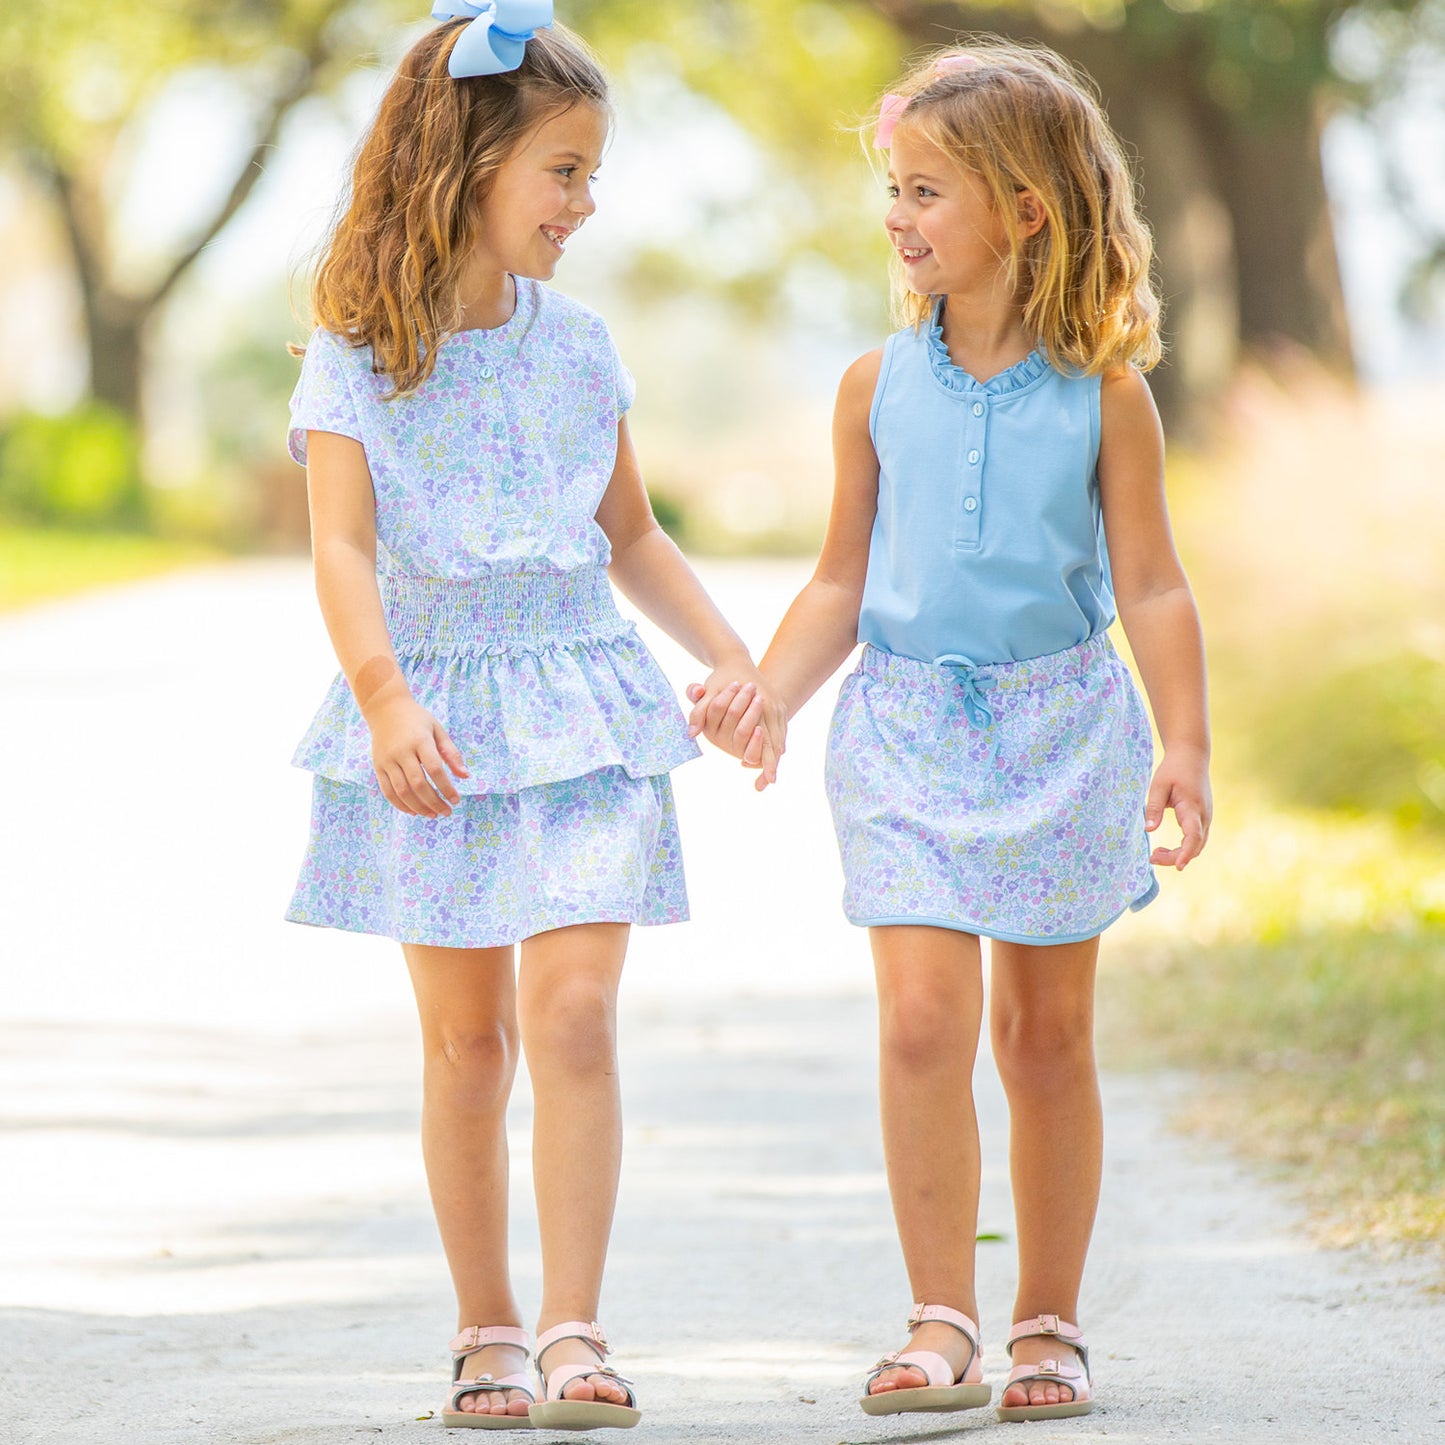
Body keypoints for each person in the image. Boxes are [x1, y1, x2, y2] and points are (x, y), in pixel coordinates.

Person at [689, 37, 1211, 1425]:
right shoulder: (872, 385)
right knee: (924, 1022)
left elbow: (1152, 583)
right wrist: (764, 693)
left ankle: (1045, 1320)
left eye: (926, 190)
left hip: (1061, 731)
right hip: (907, 731)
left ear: (1025, 209)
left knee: (1044, 1038)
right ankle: (939, 1318)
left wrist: (1186, 742)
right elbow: (839, 581)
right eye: (893, 189)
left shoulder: (1105, 390)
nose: (897, 217)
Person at [284, 4, 779, 1430]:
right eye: (561, 170)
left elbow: (632, 534)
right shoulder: (357, 354)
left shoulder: (579, 348)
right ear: (466, 162)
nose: (584, 202)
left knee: (570, 1018)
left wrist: (733, 658)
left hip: (579, 705)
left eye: (589, 172)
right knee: (466, 1045)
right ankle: (485, 1326)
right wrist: (382, 695)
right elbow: (340, 549)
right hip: (432, 715)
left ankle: (574, 1328)